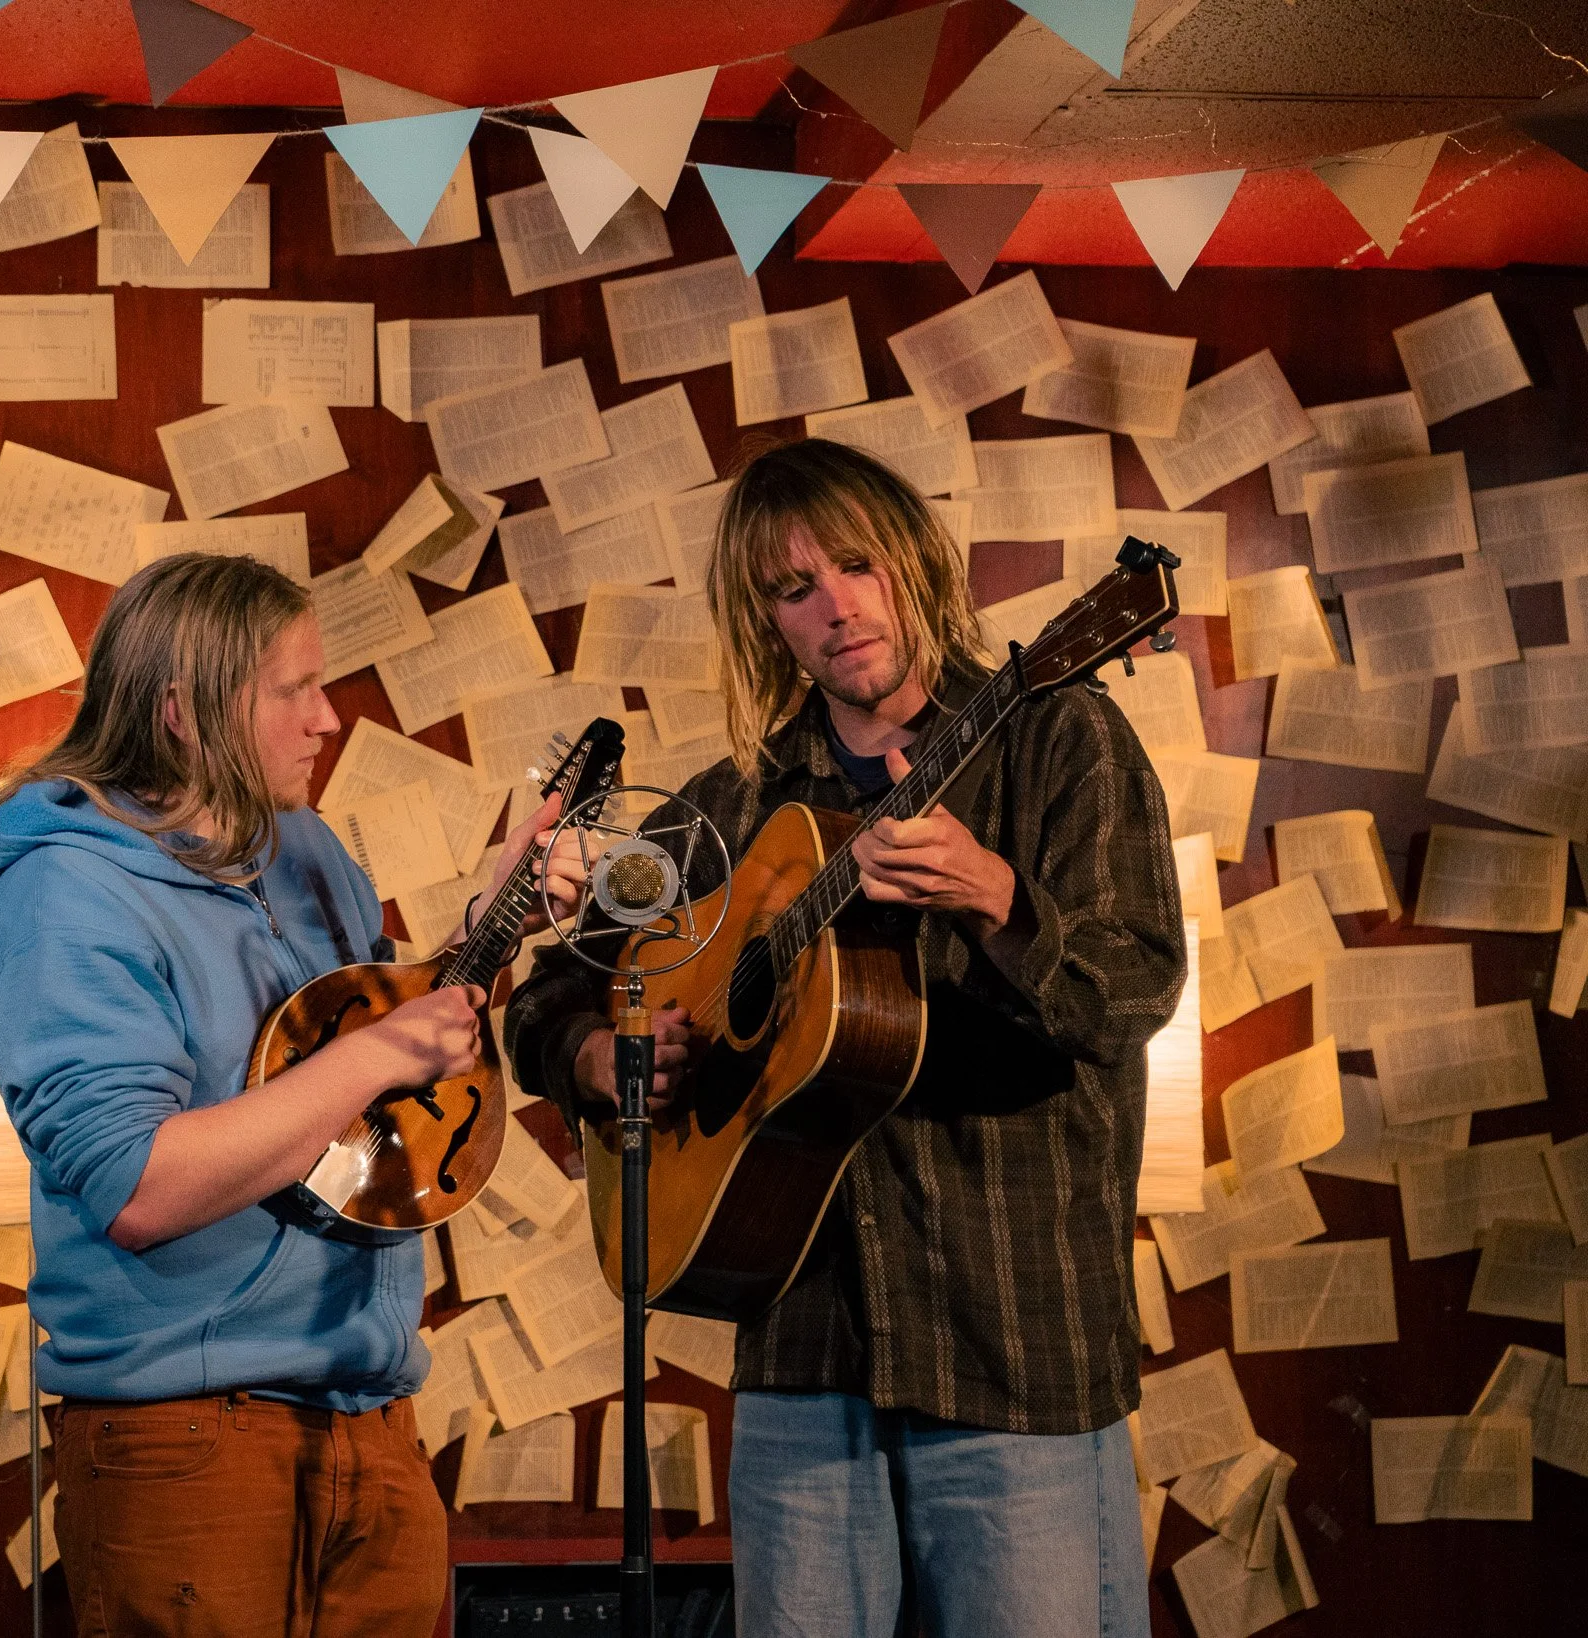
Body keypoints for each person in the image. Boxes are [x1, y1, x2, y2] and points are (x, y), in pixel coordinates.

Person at [505, 439, 1186, 1638]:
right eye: (792, 589)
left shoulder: (1057, 737)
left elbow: (1128, 992)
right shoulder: (727, 807)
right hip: (801, 1351)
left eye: (856, 566)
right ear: (764, 621)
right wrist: (595, 1057)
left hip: (1009, 1342)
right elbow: (550, 995)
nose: (835, 607)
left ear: (913, 563)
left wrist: (994, 896)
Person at [0, 553, 584, 1638]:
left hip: (373, 1421)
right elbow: (138, 1186)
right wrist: (380, 1051)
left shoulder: (306, 850)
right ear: (184, 712)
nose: (328, 719)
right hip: (189, 1439)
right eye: (293, 689)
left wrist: (487, 930)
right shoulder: (66, 897)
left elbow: (359, 1086)